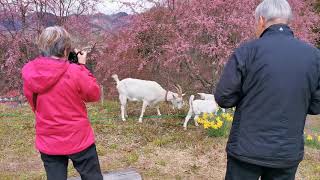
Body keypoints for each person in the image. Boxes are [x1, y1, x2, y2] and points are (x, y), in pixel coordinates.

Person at [214, 0, 320, 179]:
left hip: (246, 149)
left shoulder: (247, 51)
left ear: (261, 20)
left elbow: (224, 97)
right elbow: (316, 106)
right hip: (286, 152)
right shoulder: (314, 56)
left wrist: (248, 96)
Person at [22, 26, 103, 180]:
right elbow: (94, 94)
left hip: (48, 138)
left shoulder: (31, 73)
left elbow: (34, 105)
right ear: (66, 49)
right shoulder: (74, 71)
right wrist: (82, 66)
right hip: (78, 138)